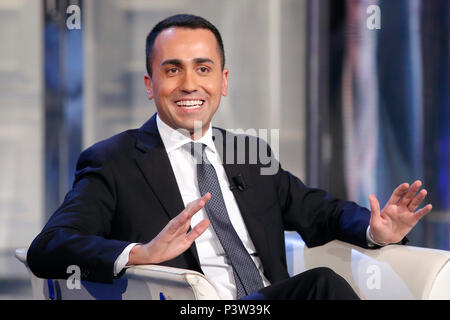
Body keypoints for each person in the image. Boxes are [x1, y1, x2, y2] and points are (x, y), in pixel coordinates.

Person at [27, 14, 432, 300]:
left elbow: (318, 211)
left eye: (203, 69)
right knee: (320, 286)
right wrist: (140, 253)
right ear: (150, 85)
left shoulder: (249, 153)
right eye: (173, 70)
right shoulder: (114, 161)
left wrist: (376, 231)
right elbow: (49, 247)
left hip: (263, 297)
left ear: (223, 81)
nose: (190, 84)